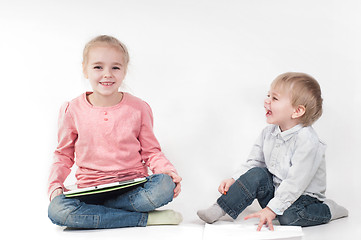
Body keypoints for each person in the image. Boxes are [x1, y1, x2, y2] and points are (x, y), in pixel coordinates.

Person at [48, 35, 182, 229]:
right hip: (90, 191)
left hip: (133, 187)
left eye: (115, 67)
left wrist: (168, 172)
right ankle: (145, 218)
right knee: (57, 210)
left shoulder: (139, 108)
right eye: (98, 67)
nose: (107, 74)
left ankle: (99, 214)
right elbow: (63, 154)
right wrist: (55, 186)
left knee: (164, 186)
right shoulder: (72, 109)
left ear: (124, 71)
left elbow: (151, 152)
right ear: (85, 69)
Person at [197, 72, 348, 231]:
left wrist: (271, 209)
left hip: (303, 198)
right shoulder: (268, 133)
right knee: (257, 173)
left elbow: (295, 183)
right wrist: (235, 179)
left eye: (274, 98)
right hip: (277, 192)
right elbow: (254, 163)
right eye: (268, 95)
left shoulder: (308, 141)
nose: (266, 101)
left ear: (297, 111)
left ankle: (329, 210)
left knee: (289, 217)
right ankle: (219, 208)